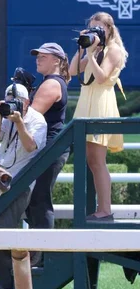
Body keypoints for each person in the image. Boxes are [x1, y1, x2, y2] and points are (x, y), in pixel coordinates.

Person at [0, 84, 47, 289]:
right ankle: (7, 277)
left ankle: (8, 280)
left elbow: (31, 146)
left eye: (16, 100)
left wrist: (20, 123)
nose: (12, 103)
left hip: (20, 182)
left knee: (2, 227)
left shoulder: (37, 120)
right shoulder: (5, 117)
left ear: (27, 101)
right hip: (0, 179)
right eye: (8, 99)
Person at [69, 11, 128, 221]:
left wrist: (92, 55)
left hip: (101, 103)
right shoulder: (95, 49)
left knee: (98, 160)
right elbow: (72, 70)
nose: (96, 33)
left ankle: (105, 210)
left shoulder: (114, 51)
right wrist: (84, 48)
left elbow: (102, 78)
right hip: (88, 103)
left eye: (99, 29)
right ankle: (101, 208)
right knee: (91, 160)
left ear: (109, 30)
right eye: (92, 28)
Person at [25, 42, 71, 266]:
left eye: (43, 56)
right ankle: (39, 253)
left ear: (57, 61)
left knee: (38, 200)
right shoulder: (49, 82)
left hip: (50, 148)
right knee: (33, 200)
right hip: (48, 148)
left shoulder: (52, 83)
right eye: (37, 55)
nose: (38, 58)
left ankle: (42, 255)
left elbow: (31, 116)